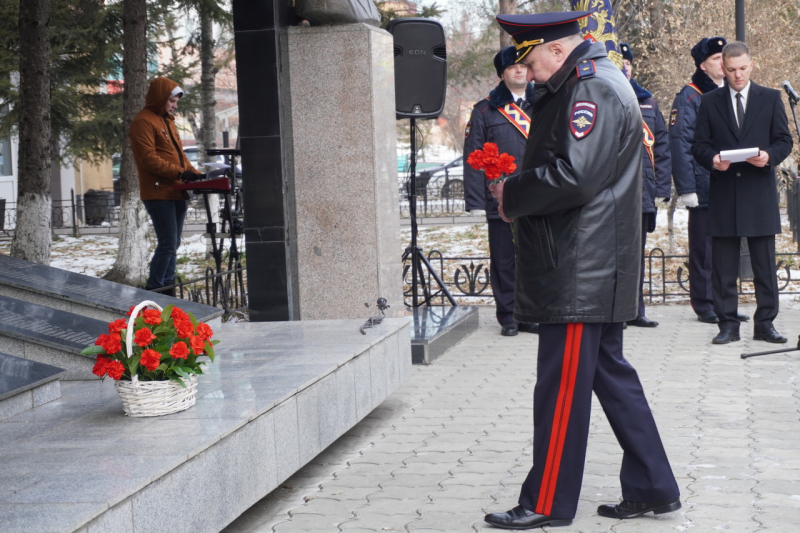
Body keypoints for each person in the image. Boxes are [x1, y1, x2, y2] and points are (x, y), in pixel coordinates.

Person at [483, 12, 680, 530]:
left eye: (531, 62)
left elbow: (574, 174)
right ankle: (653, 486)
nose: (530, 74)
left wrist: (512, 194)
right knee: (611, 378)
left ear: (554, 50)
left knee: (562, 387)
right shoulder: (591, 81)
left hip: (578, 267)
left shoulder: (588, 90)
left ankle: (546, 502)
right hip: (592, 263)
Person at [692, 41, 793, 345]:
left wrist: (768, 156)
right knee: (724, 268)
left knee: (764, 266)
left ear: (752, 65)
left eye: (742, 69)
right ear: (722, 68)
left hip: (758, 193)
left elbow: (783, 140)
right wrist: (712, 159)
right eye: (731, 69)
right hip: (724, 193)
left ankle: (765, 325)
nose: (737, 75)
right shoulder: (710, 102)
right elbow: (698, 145)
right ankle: (728, 325)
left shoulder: (771, 98)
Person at [669, 37, 748, 325]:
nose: (723, 62)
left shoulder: (730, 93)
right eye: (717, 58)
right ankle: (704, 303)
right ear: (703, 65)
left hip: (729, 183)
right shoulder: (690, 96)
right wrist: (687, 188)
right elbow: (680, 143)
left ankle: (724, 302)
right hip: (703, 185)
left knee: (726, 248)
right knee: (704, 250)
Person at [464, 46, 538, 337]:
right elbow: (473, 156)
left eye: (523, 66)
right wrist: (475, 201)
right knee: (505, 259)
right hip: (501, 200)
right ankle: (508, 316)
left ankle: (531, 313)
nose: (519, 71)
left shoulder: (544, 104)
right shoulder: (484, 110)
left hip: (539, 196)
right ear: (502, 73)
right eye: (512, 67)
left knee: (535, 258)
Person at [130, 77, 204, 296]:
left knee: (174, 244)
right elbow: (149, 159)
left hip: (176, 191)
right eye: (172, 101)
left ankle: (168, 286)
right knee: (167, 244)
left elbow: (180, 157)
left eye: (176, 102)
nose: (175, 105)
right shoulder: (144, 121)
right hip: (158, 192)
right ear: (160, 97)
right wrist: (182, 173)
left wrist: (197, 176)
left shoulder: (167, 121)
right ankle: (155, 291)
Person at [620, 43, 671, 328]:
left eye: (628, 62)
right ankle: (617, 311)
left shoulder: (649, 102)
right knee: (614, 254)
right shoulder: (604, 94)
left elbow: (662, 146)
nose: (625, 66)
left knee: (636, 254)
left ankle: (635, 309)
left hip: (641, 192)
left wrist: (662, 188)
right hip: (613, 193)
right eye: (620, 61)